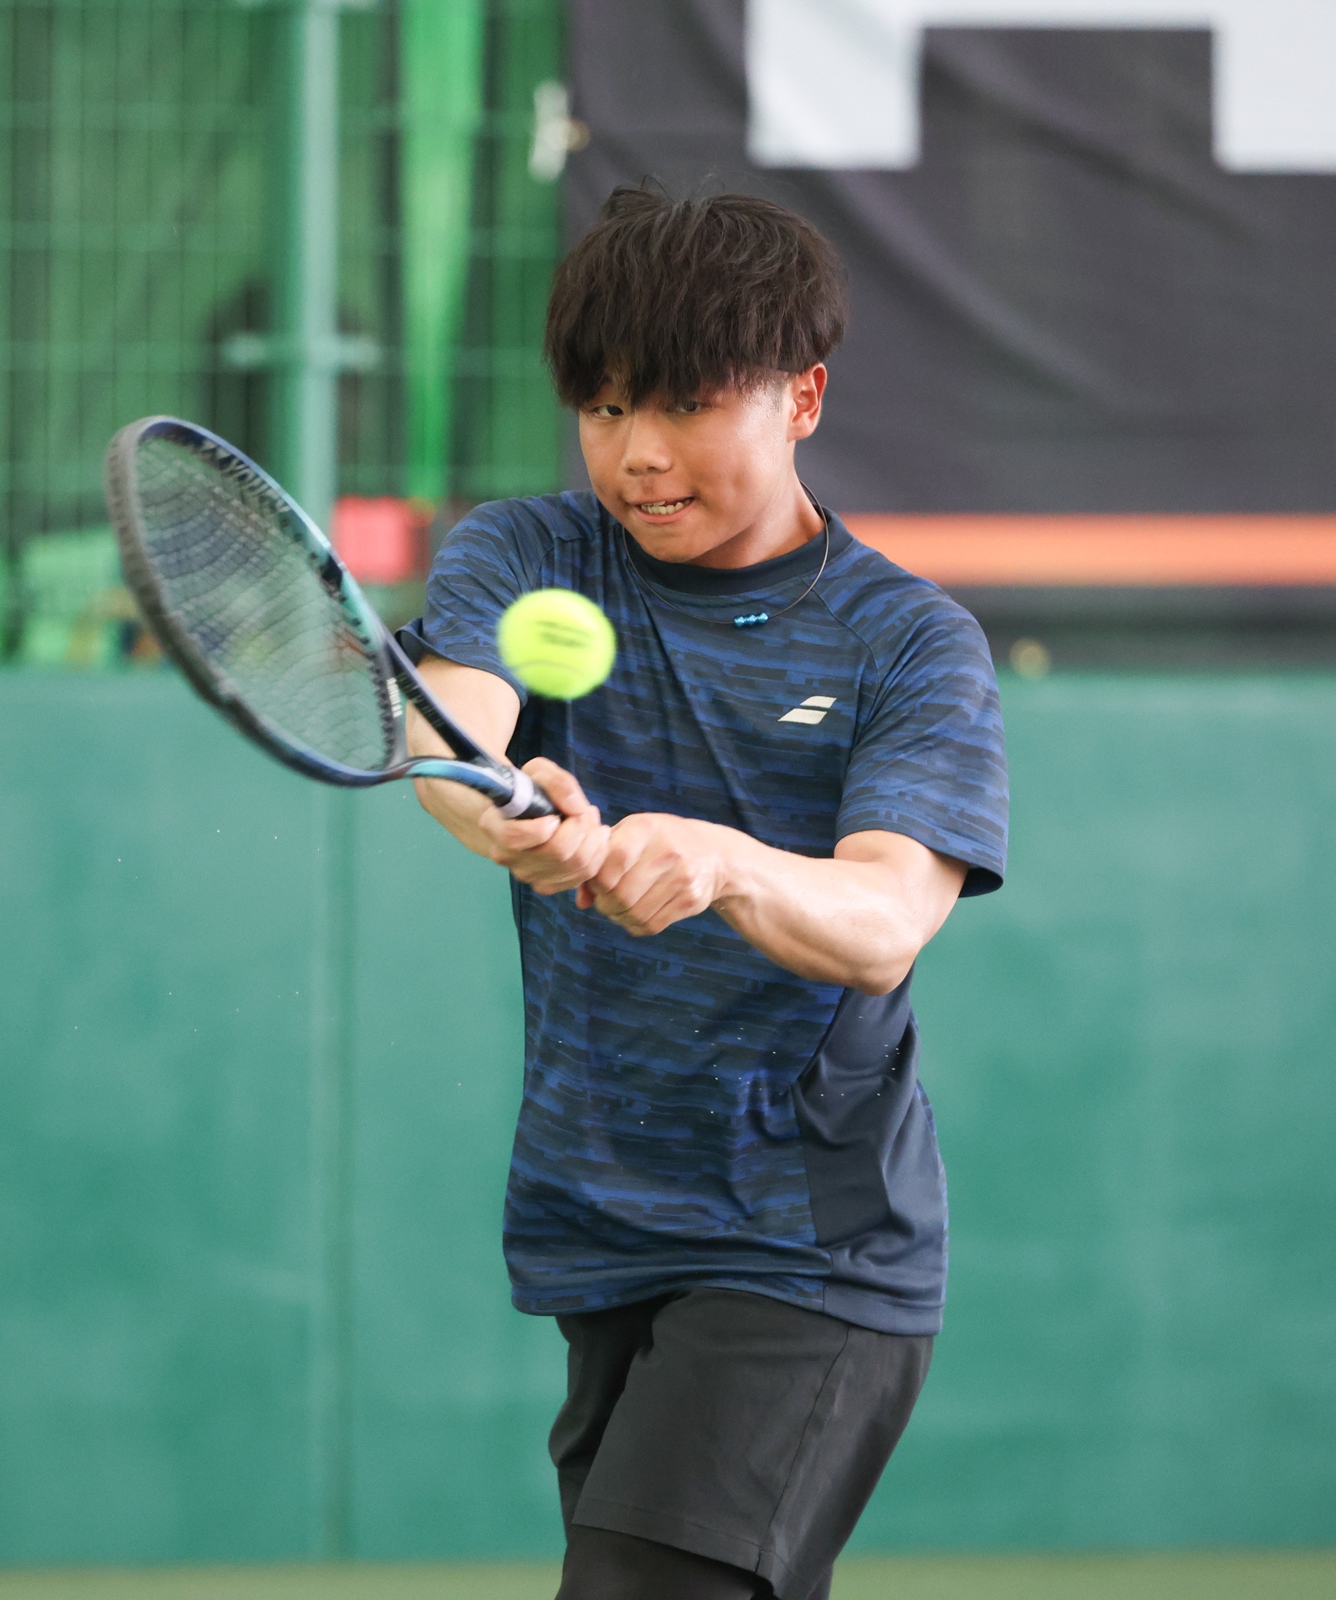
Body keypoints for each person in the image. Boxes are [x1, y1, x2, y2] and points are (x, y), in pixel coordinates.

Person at [397, 184, 1010, 1600]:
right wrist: (511, 813)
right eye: (606, 408)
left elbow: (883, 922)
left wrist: (722, 861)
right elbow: (451, 746)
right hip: (602, 1228)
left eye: (685, 405)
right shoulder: (532, 555)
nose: (641, 455)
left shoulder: (909, 644)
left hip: (807, 1254)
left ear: (803, 398)